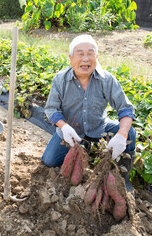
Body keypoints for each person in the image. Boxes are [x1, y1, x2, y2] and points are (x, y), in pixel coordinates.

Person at [41, 34, 136, 192]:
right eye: (80, 53)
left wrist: (122, 134)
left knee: (130, 133)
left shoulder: (107, 80)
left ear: (97, 57)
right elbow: (51, 109)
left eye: (90, 53)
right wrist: (63, 127)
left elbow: (125, 108)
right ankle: (82, 147)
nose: (85, 59)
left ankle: (123, 180)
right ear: (71, 58)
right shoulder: (60, 80)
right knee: (49, 161)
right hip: (70, 133)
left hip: (99, 128)